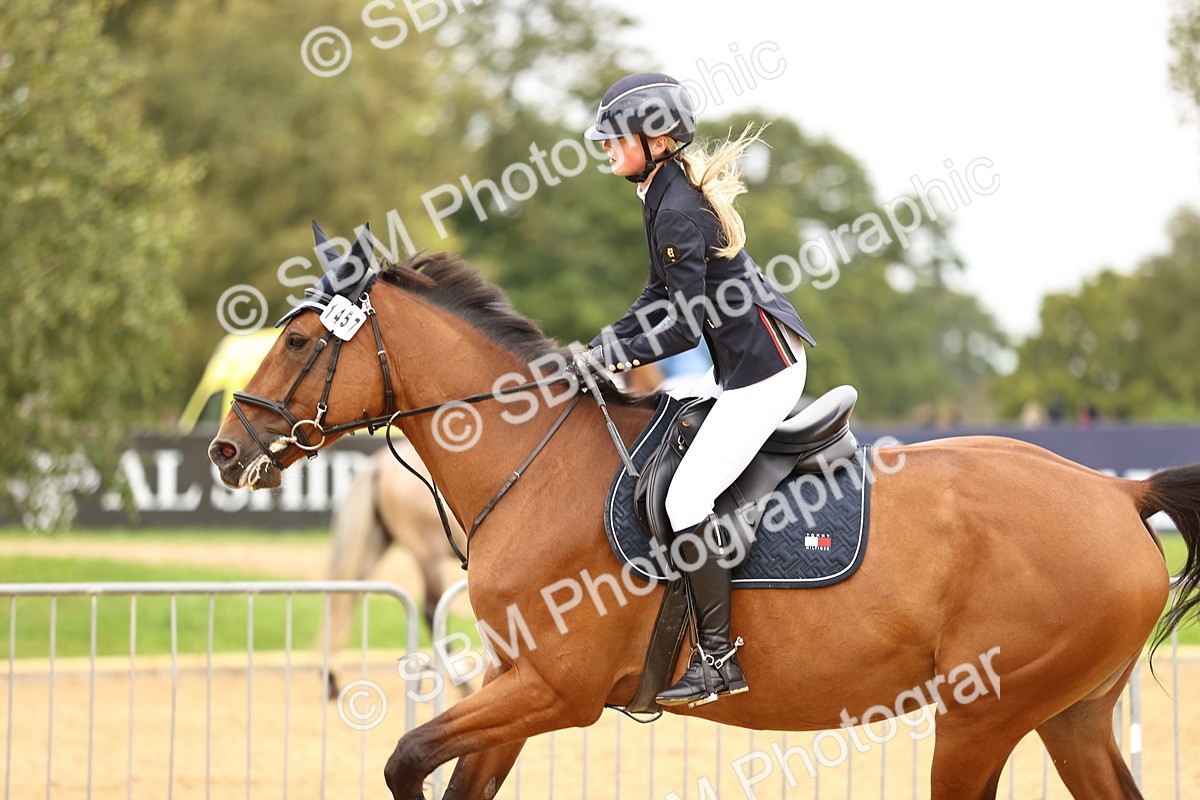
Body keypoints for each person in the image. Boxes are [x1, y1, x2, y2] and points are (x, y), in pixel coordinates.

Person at [573, 72, 815, 708]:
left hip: (763, 373)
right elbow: (659, 294)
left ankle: (717, 661)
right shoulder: (662, 194)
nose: (606, 147)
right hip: (742, 364)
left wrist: (611, 356)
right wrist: (601, 345)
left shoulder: (677, 208)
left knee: (685, 501)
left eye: (615, 137)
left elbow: (681, 328)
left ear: (656, 141)